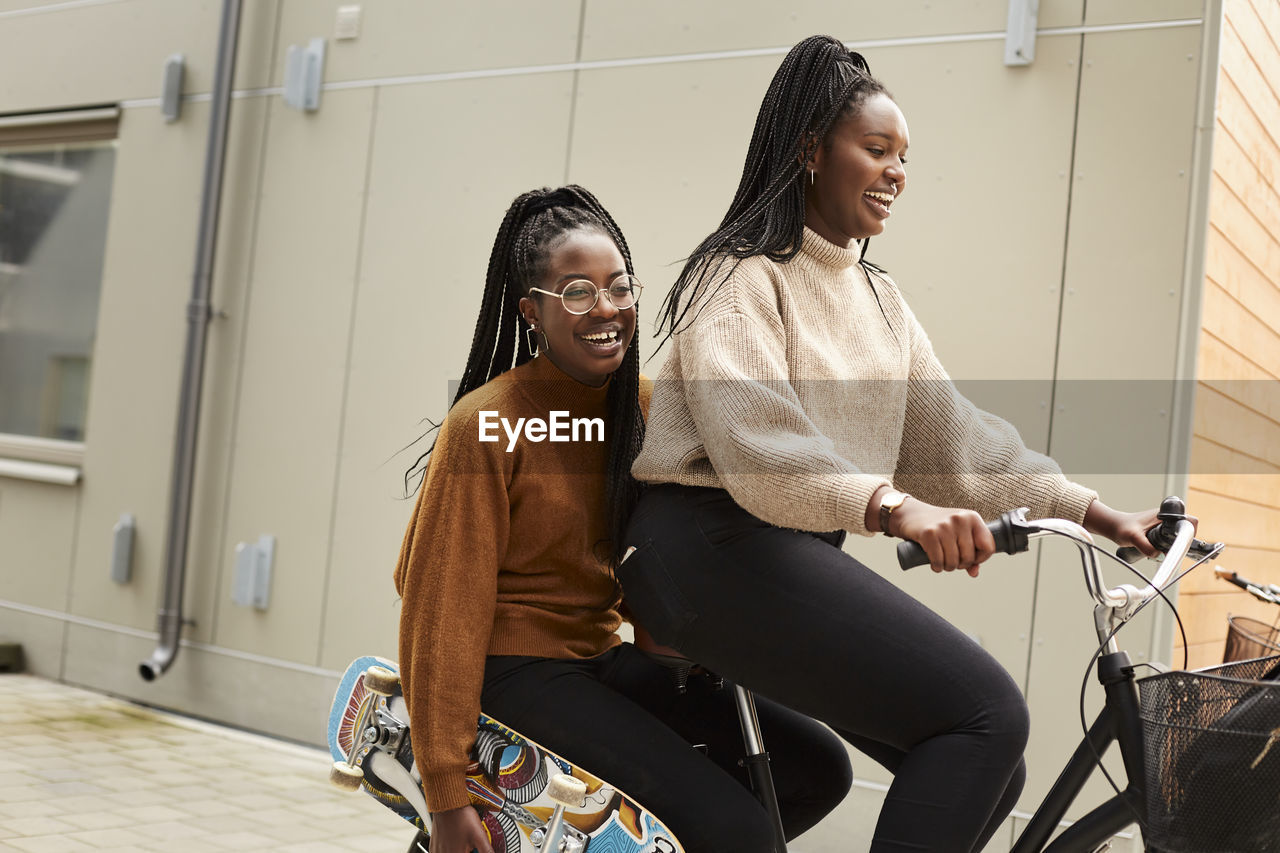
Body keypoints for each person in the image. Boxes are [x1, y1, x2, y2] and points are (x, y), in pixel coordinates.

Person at [620, 36, 1168, 853]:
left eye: (903, 157)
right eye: (876, 150)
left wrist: (1092, 511)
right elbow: (760, 447)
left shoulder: (878, 299)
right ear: (811, 151)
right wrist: (893, 506)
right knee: (988, 714)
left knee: (990, 758)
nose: (895, 172)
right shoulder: (738, 277)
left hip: (776, 547)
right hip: (704, 544)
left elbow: (961, 442)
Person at [393, 185, 853, 853]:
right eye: (577, 293)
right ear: (532, 311)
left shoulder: (645, 409)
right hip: (516, 671)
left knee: (815, 769)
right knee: (737, 831)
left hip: (603, 657)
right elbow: (439, 615)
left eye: (619, 286)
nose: (605, 308)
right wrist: (446, 792)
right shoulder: (486, 424)